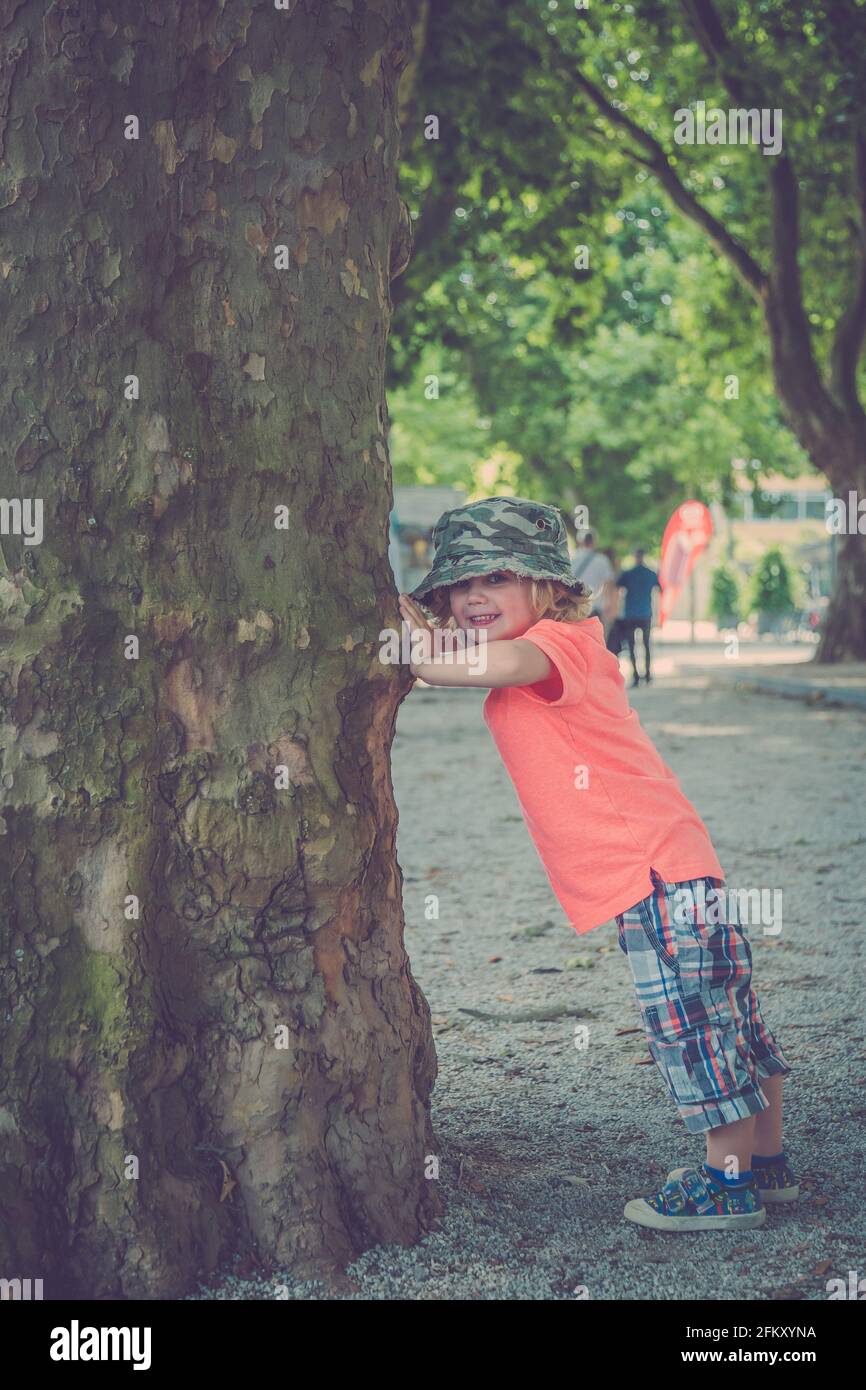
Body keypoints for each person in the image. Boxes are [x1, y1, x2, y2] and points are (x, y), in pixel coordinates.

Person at [397, 495, 796, 1232]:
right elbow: (473, 661)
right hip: (672, 867)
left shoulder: (562, 644)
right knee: (731, 1019)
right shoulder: (537, 649)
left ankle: (727, 1185)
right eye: (459, 585)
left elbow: (481, 664)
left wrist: (413, 649)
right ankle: (763, 1165)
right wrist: (429, 638)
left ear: (550, 585)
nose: (473, 597)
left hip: (653, 876)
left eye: (498, 578)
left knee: (694, 1029)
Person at [616, 547, 661, 688]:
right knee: (647, 645)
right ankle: (647, 676)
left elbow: (617, 585)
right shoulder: (651, 573)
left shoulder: (628, 574)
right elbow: (660, 588)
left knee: (632, 646)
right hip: (645, 613)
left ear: (635, 556)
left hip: (630, 614)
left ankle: (636, 676)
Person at [571, 530, 614, 626]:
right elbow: (607, 584)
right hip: (595, 606)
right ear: (594, 542)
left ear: (581, 542)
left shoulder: (572, 558)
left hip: (575, 607)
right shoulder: (602, 560)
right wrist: (608, 602)